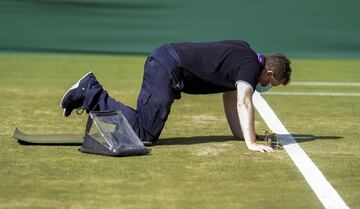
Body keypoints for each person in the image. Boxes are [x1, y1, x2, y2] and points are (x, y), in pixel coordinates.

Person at [60, 40, 291, 153]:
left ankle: (90, 93)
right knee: (143, 133)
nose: (267, 87)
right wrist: (251, 143)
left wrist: (242, 136)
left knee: (145, 131)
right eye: (271, 83)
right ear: (269, 73)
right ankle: (90, 90)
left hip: (167, 62)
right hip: (167, 66)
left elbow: (231, 99)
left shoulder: (244, 56)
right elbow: (244, 101)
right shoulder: (250, 66)